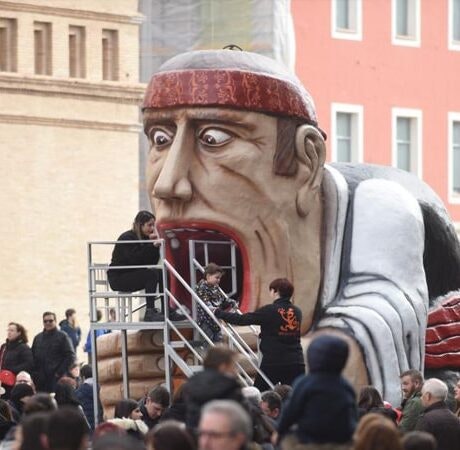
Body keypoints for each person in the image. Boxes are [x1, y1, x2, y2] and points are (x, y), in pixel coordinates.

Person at [142, 48, 460, 406]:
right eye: (160, 139)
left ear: (306, 162)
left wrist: (298, 364)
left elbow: (383, 313)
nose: (167, 183)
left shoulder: (380, 204)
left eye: (214, 138)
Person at [215, 278, 304, 391]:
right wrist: (263, 335)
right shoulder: (297, 311)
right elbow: (285, 332)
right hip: (296, 361)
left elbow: (242, 320)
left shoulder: (269, 310)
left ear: (275, 291)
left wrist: (219, 313)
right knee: (296, 397)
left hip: (274, 362)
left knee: (259, 394)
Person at [277, 335, 357, 446]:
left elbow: (290, 411)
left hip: (311, 441)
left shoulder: (304, 383)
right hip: (341, 442)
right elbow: (353, 413)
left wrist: (279, 431)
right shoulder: (345, 385)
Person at [107, 210, 164, 321]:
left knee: (162, 273)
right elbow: (134, 260)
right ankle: (150, 311)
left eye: (153, 225)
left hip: (132, 274)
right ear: (140, 225)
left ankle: (167, 310)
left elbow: (152, 262)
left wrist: (155, 247)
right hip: (119, 277)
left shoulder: (146, 239)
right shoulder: (127, 237)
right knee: (151, 275)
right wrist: (150, 246)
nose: (152, 228)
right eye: (149, 225)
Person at [182, 346, 244, 432]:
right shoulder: (229, 386)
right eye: (233, 365)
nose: (236, 370)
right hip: (222, 435)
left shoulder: (191, 383)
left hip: (194, 435)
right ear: (223, 366)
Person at [31, 312, 75, 393]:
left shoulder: (63, 337)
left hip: (56, 379)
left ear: (55, 321)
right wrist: (35, 373)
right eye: (45, 321)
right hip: (40, 380)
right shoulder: (38, 338)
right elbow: (32, 356)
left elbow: (70, 356)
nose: (48, 323)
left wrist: (59, 373)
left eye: (50, 321)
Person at [194, 263, 237, 344]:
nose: (218, 280)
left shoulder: (215, 287)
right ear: (208, 276)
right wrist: (218, 311)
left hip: (215, 321)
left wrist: (230, 302)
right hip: (205, 321)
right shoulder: (202, 287)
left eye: (219, 278)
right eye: (216, 277)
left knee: (218, 342)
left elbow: (221, 300)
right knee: (208, 343)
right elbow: (207, 304)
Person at [415, 378, 460, 450]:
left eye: (421, 394)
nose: (420, 398)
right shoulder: (455, 419)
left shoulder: (427, 420)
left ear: (428, 396)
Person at [0, 322, 33, 399]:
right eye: (8, 330)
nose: (9, 332)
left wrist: (11, 370)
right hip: (2, 381)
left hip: (14, 382)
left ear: (19, 333)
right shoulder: (4, 346)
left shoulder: (24, 348)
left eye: (12, 330)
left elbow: (29, 364)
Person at [75, 364, 103, 430]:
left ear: (83, 377)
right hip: (101, 425)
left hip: (87, 426)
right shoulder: (102, 388)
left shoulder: (78, 392)